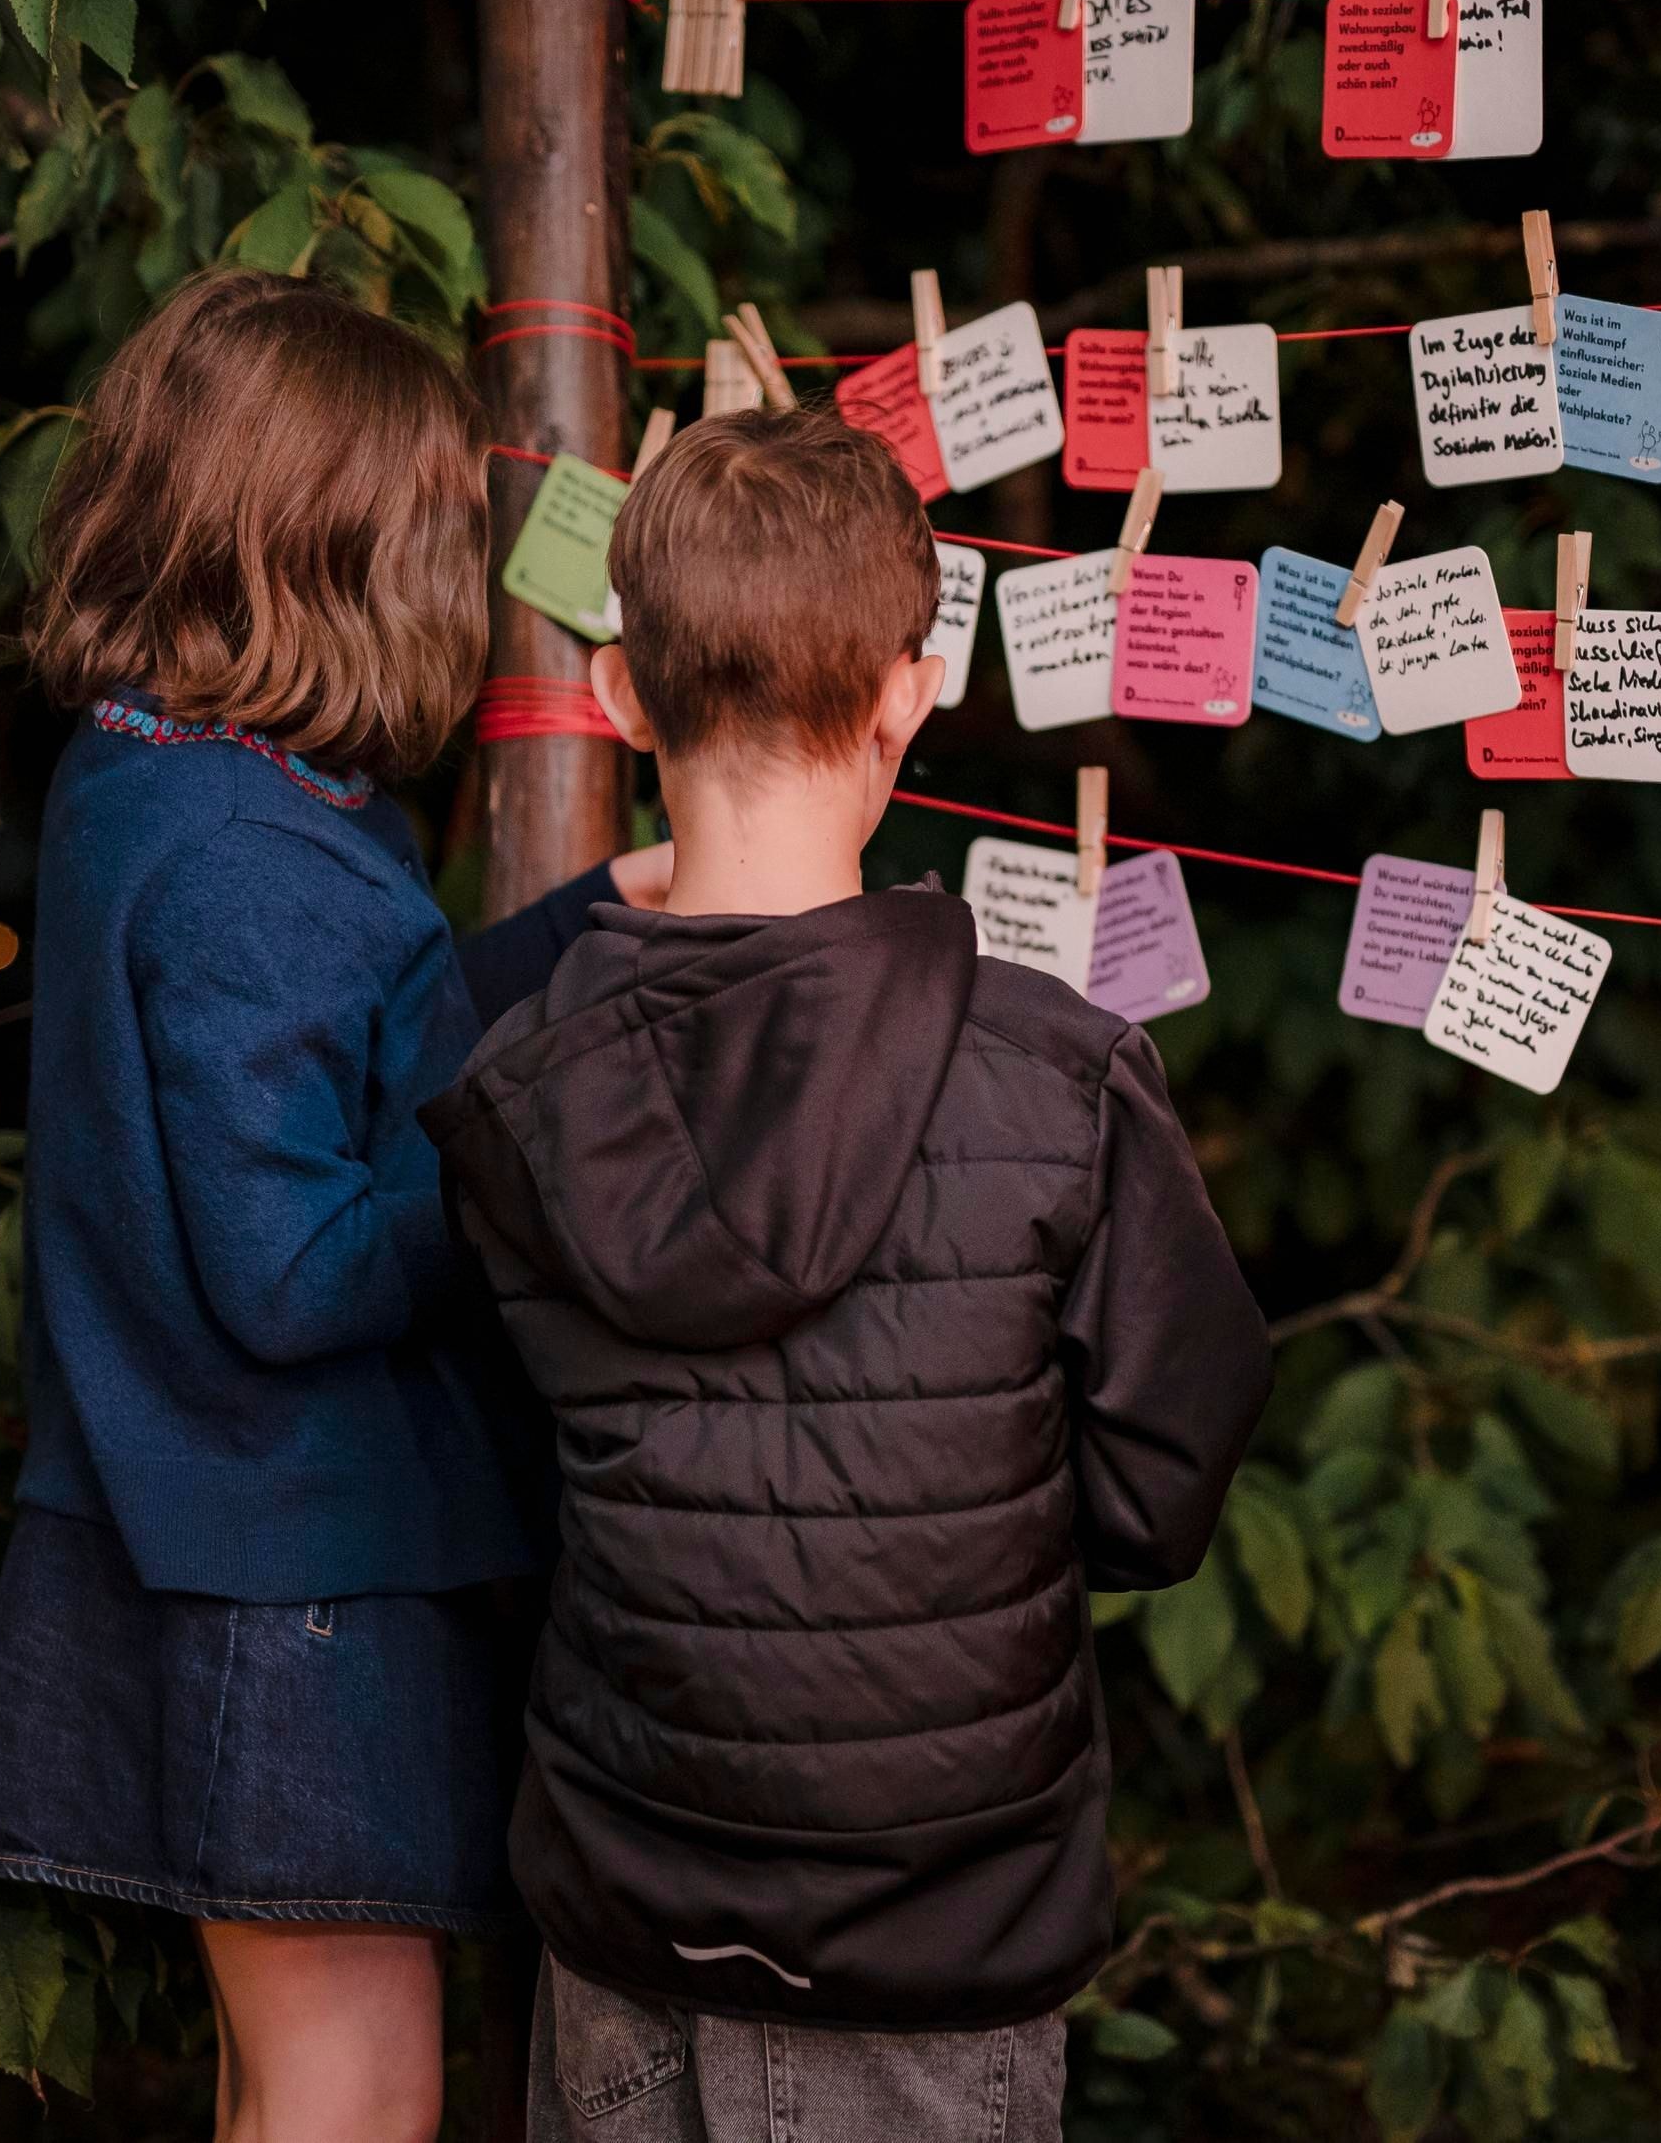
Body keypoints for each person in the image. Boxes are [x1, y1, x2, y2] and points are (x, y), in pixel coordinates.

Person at [418, 406, 1271, 2141]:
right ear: (908, 696)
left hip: (631, 1909)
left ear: (622, 696)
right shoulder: (1063, 1080)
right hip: (937, 1929)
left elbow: (511, 1485)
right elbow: (1161, 1487)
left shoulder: (517, 1094)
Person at [0, 269, 663, 2143]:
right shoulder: (255, 859)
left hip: (228, 1539)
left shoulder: (157, 780)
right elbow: (294, 1263)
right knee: (352, 2095)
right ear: (347, 550)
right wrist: (530, 1165)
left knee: (287, 2089)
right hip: (294, 1571)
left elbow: (351, 1047)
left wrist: (582, 931)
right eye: (440, 528)